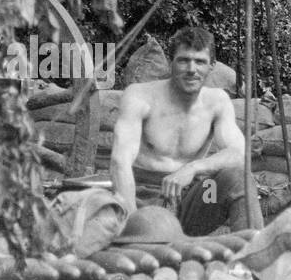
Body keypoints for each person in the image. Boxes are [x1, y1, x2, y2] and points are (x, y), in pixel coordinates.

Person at [109, 26, 261, 234]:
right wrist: (133, 221)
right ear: (171, 63)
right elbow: (120, 162)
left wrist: (192, 168)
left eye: (200, 61)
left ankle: (252, 256)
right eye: (183, 60)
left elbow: (239, 154)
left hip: (192, 198)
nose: (191, 69)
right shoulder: (139, 97)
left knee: (238, 179)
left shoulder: (217, 101)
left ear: (212, 66)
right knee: (150, 236)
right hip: (144, 198)